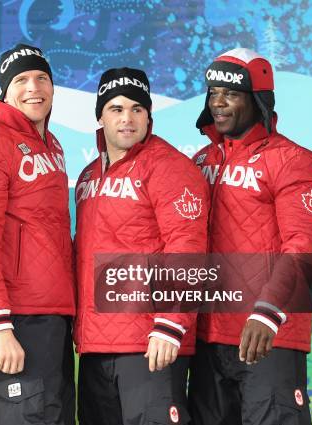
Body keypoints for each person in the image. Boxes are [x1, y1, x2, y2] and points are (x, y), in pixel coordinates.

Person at [189, 48, 312, 425]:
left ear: (258, 100)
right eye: (213, 93)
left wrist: (268, 315)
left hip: (268, 337)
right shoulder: (200, 162)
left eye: (231, 94)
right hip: (207, 338)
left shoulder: (296, 162)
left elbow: (302, 246)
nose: (218, 103)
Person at [73, 68, 209, 425]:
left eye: (137, 108)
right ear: (100, 116)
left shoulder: (170, 169)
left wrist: (170, 324)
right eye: (116, 109)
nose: (127, 118)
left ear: (150, 116)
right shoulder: (88, 176)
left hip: (150, 345)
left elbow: (188, 247)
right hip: (95, 348)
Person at [0, 43, 76, 425]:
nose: (33, 87)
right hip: (15, 320)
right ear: (4, 92)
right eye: (20, 80)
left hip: (52, 317)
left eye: (42, 77)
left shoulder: (51, 144)